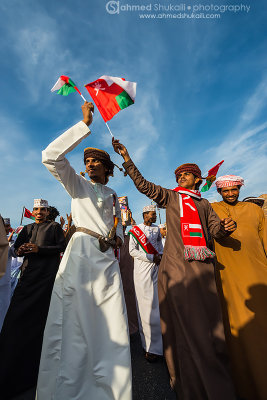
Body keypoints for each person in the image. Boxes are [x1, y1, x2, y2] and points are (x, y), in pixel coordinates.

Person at [113, 138, 237, 400]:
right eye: (179, 175)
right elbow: (144, 186)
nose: (181, 178)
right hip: (176, 269)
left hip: (202, 269)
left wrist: (224, 230)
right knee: (183, 323)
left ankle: (212, 376)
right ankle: (185, 377)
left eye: (187, 175)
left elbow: (213, 231)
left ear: (197, 179)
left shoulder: (205, 205)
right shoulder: (170, 197)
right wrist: (127, 158)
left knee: (207, 324)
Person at [36, 102, 132, 400]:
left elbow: (117, 223)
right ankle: (72, 387)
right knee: (75, 323)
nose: (90, 164)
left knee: (111, 324)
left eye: (96, 162)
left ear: (107, 169)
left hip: (106, 261)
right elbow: (50, 157)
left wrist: (116, 236)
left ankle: (111, 388)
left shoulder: (113, 194)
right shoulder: (77, 184)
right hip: (79, 256)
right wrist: (84, 124)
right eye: (87, 161)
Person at [0, 199, 66, 399]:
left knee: (41, 319)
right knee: (17, 317)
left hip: (46, 278)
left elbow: (61, 247)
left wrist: (40, 250)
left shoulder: (54, 227)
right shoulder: (26, 228)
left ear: (48, 212)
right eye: (36, 209)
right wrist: (21, 250)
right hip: (27, 277)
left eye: (42, 209)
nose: (39, 212)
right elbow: (16, 248)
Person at [212, 175, 267, 400]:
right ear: (219, 192)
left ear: (239, 188)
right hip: (227, 279)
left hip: (258, 275)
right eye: (226, 191)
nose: (231, 194)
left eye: (234, 190)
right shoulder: (212, 209)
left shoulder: (254, 211)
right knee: (235, 332)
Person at [129, 205, 163, 361]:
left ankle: (160, 345)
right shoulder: (136, 230)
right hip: (142, 269)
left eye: (155, 214)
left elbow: (160, 246)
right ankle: (148, 346)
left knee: (157, 305)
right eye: (152, 214)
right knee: (145, 306)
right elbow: (132, 251)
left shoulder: (157, 229)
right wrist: (150, 257)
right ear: (144, 215)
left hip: (156, 267)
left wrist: (160, 256)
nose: (154, 216)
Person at [119, 210, 139, 336]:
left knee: (129, 297)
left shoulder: (129, 238)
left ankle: (132, 327)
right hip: (115, 273)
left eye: (123, 225)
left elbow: (140, 235)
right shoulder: (112, 240)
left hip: (128, 273)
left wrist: (131, 221)